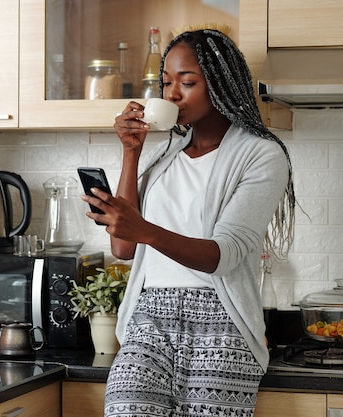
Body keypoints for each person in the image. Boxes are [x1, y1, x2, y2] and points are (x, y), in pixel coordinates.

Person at [82, 29, 296, 417]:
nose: (173, 94)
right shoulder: (164, 156)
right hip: (149, 320)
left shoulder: (262, 156)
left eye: (188, 82)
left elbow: (224, 255)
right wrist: (132, 152)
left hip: (223, 325)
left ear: (222, 85)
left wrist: (144, 229)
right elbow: (124, 249)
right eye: (166, 83)